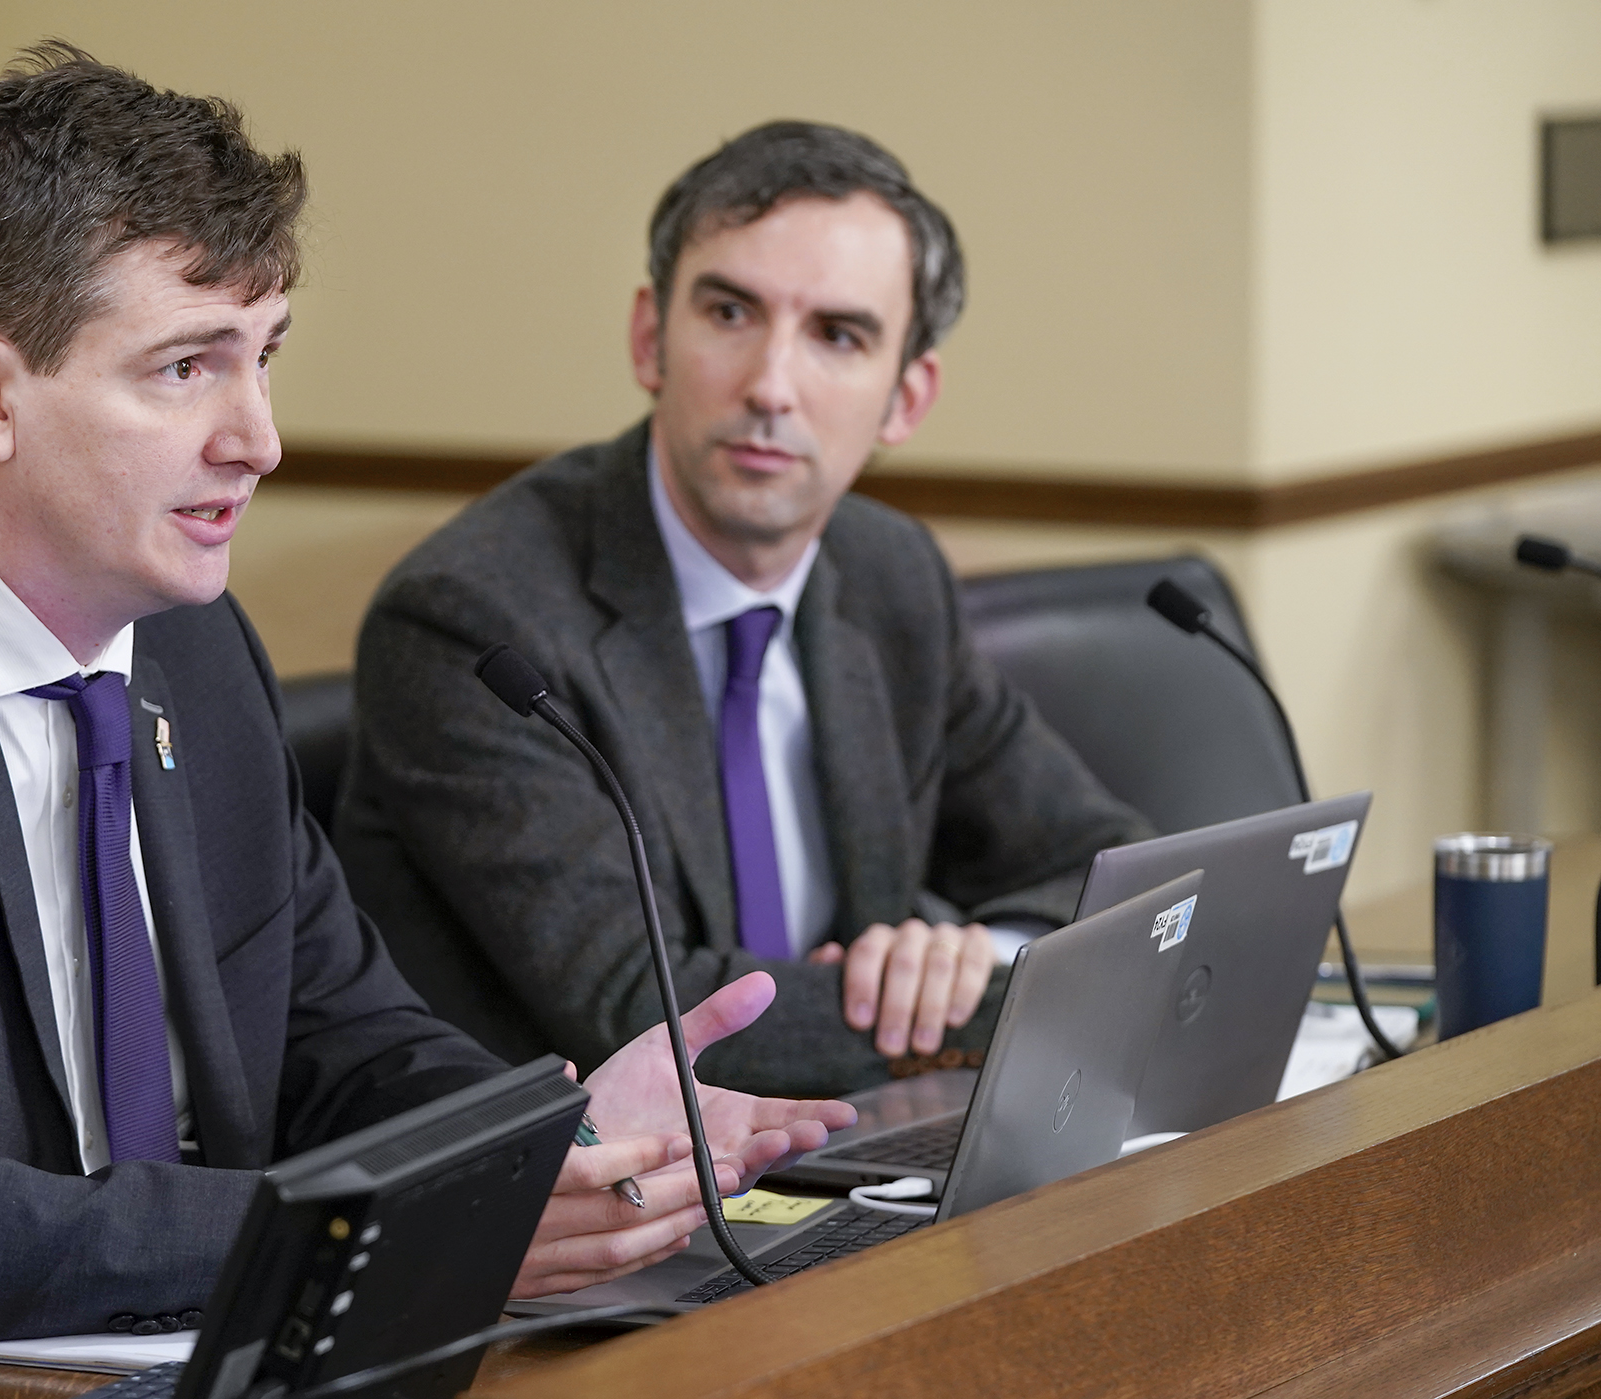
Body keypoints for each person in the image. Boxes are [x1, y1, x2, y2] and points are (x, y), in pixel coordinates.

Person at [0, 49, 849, 1399]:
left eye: (263, 359)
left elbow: (337, 1034)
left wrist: (550, 1143)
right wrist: (337, 1230)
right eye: (187, 367)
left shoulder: (191, 641)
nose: (260, 437)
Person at [333, 122, 1150, 1099]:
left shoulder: (890, 575)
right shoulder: (476, 620)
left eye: (838, 336)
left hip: (843, 1143)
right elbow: (649, 1014)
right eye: (729, 312)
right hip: (588, 1198)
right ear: (650, 337)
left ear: (906, 397)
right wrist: (1000, 1002)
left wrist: (979, 956)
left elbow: (1108, 867)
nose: (770, 387)